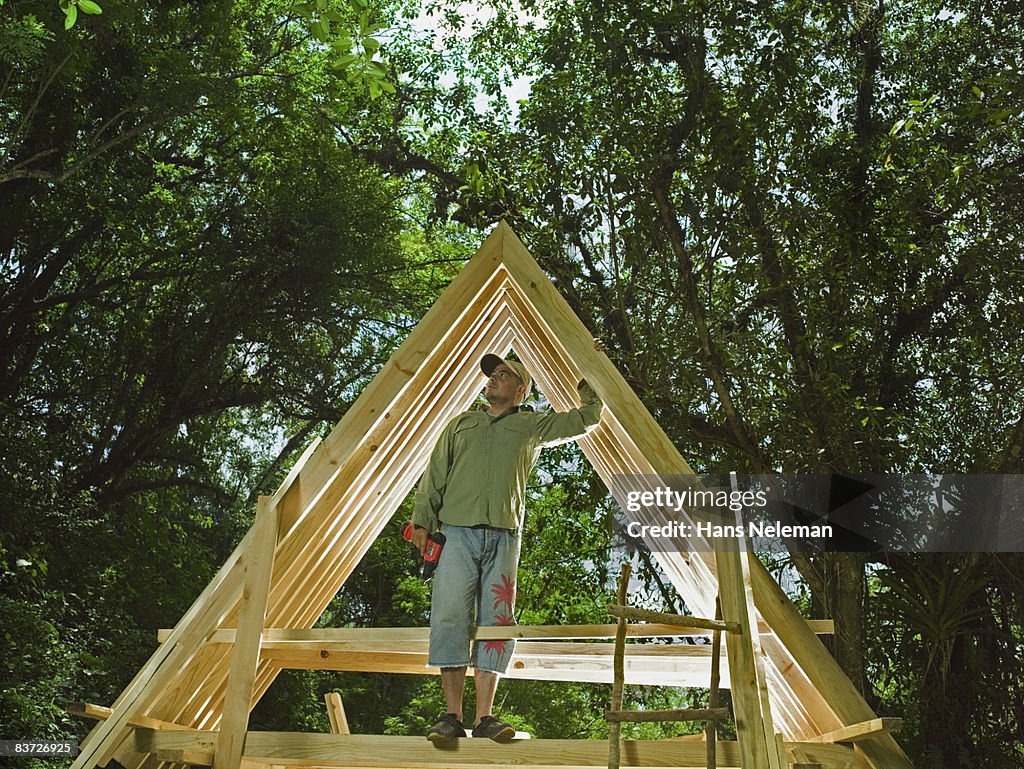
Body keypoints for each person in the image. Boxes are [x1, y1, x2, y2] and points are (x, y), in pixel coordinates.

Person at [410, 349, 604, 742]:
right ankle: (450, 717)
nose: (493, 378)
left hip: (504, 534)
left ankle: (484, 719)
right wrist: (421, 522)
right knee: (450, 617)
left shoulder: (532, 425)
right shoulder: (461, 424)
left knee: (498, 622)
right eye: (491, 374)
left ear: (521, 388)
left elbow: (586, 417)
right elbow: (434, 476)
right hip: (456, 532)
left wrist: (587, 376)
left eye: (503, 374)